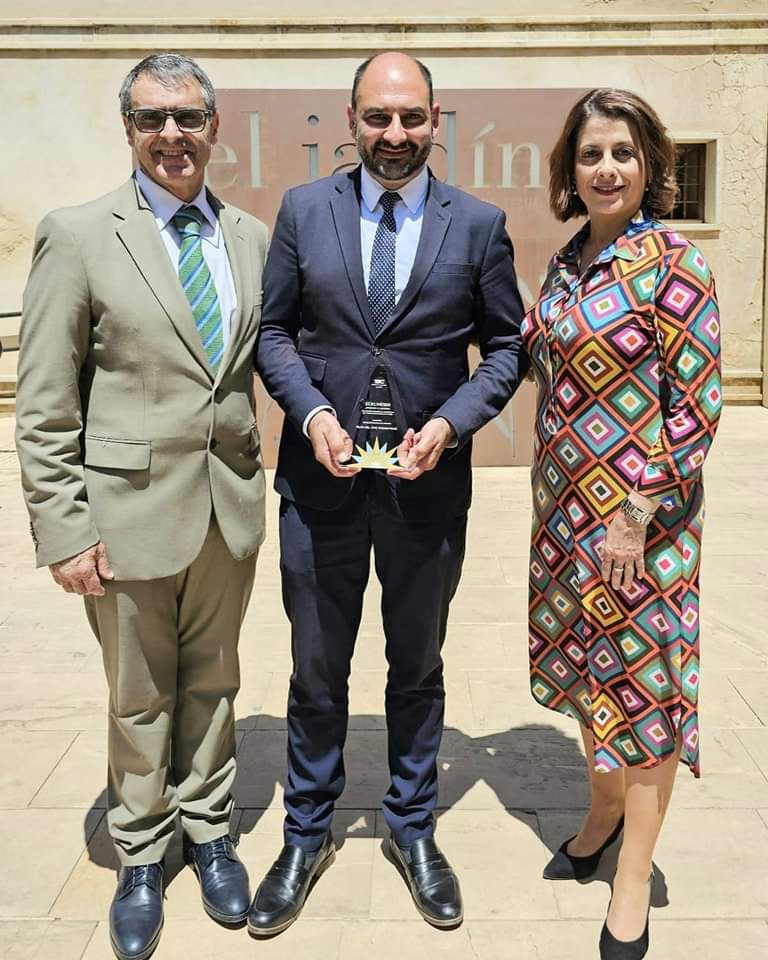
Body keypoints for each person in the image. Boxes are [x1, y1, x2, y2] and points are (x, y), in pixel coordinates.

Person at [250, 51, 527, 935]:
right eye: (378, 117)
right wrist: (310, 416)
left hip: (426, 492)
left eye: (411, 118)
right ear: (352, 118)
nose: (395, 135)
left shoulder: (478, 225)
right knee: (316, 673)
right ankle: (305, 832)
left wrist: (450, 424)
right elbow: (275, 332)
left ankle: (412, 829)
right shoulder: (303, 211)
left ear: (436, 121)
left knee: (417, 671)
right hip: (320, 484)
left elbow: (509, 349)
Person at [15, 53, 268, 960]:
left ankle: (210, 830)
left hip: (228, 508)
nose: (173, 134)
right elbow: (44, 402)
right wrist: (64, 528)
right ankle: (140, 853)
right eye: (154, 117)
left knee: (215, 681)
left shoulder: (249, 235)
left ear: (213, 126)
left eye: (190, 117)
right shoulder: (78, 234)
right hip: (123, 517)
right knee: (137, 697)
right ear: (128, 128)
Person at [522, 88, 721, 960]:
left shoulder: (674, 264)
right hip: (564, 521)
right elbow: (528, 359)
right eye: (591, 154)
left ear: (652, 166)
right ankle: (601, 814)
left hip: (646, 528)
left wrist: (634, 514)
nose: (606, 169)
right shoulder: (566, 264)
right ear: (571, 169)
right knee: (587, 674)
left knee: (646, 691)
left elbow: (698, 407)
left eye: (623, 154)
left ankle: (633, 874)